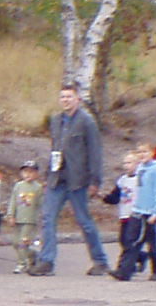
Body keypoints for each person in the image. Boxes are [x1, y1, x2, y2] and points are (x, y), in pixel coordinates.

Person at [32, 85, 107, 277]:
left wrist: (95, 180)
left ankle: (100, 261)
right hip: (57, 179)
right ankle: (46, 261)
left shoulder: (86, 122)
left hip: (78, 180)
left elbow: (95, 152)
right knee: (48, 218)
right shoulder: (56, 121)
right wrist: (49, 175)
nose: (65, 100)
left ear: (77, 99)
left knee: (84, 221)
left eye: (69, 97)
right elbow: (54, 149)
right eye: (63, 97)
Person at [117, 145, 156, 281]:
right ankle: (125, 271)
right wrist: (135, 208)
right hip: (139, 211)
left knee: (154, 244)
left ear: (152, 152)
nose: (142, 154)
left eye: (145, 151)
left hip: (152, 212)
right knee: (132, 241)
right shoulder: (141, 169)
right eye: (139, 152)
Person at [10, 159, 44, 274]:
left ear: (36, 174)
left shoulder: (38, 188)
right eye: (25, 172)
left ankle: (22, 264)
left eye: (31, 172)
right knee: (15, 242)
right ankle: (33, 255)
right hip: (18, 218)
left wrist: (42, 216)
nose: (28, 174)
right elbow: (13, 201)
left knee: (23, 242)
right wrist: (11, 215)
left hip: (30, 220)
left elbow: (41, 203)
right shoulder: (18, 186)